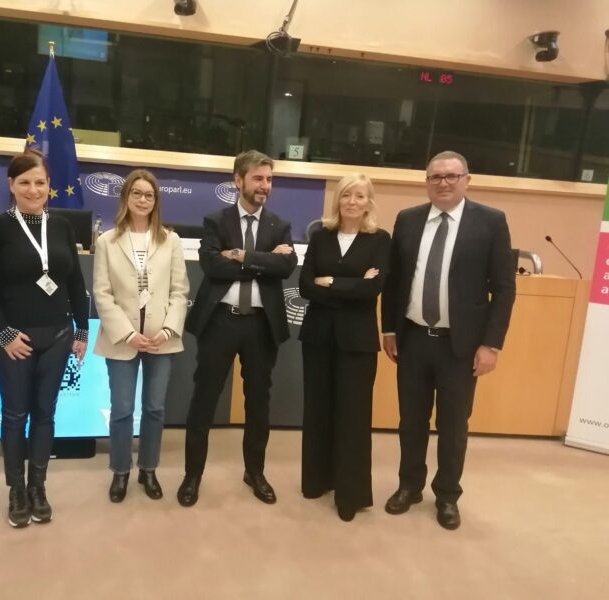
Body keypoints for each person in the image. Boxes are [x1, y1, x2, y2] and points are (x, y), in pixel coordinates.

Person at [381, 150, 516, 530]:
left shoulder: (490, 221)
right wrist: (389, 329)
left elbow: (504, 288)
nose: (443, 183)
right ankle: (409, 486)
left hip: (462, 346)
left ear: (466, 180)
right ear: (427, 182)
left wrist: (491, 344)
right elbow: (394, 281)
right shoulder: (407, 220)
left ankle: (447, 495)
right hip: (412, 339)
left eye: (451, 176)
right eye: (435, 177)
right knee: (411, 420)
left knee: (454, 425)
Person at [0, 150, 89, 528]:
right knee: (15, 414)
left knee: (45, 413)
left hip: (58, 336)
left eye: (40, 182)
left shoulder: (62, 226)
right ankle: (16, 489)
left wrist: (82, 330)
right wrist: (3, 332)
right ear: (11, 185)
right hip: (14, 340)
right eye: (24, 182)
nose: (33, 189)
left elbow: (75, 281)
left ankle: (38, 486)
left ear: (49, 186)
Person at [177, 150, 297, 507]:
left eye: (269, 179)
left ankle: (254, 472)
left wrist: (242, 256)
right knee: (204, 400)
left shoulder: (279, 225)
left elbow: (286, 268)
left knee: (258, 402)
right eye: (258, 178)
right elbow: (213, 267)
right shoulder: (216, 221)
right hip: (221, 321)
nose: (265, 186)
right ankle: (192, 475)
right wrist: (265, 261)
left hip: (261, 325)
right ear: (238, 179)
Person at [92, 169, 189, 503]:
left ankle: (148, 469)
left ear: (156, 200)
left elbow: (179, 291)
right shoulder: (107, 241)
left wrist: (168, 329)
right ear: (126, 197)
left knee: (155, 408)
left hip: (162, 338)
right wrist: (128, 334)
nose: (143, 200)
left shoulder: (170, 240)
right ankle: (120, 471)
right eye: (137, 193)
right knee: (121, 409)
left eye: (149, 195)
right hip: (122, 339)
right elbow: (102, 293)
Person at [298, 174, 390, 522]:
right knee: (317, 410)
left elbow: (373, 290)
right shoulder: (320, 236)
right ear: (338, 200)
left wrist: (331, 282)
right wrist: (352, 285)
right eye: (347, 195)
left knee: (353, 416)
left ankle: (350, 494)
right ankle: (316, 481)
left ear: (369, 203)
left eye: (360, 196)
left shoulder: (380, 240)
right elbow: (305, 286)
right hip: (318, 337)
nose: (352, 201)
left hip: (357, 341)